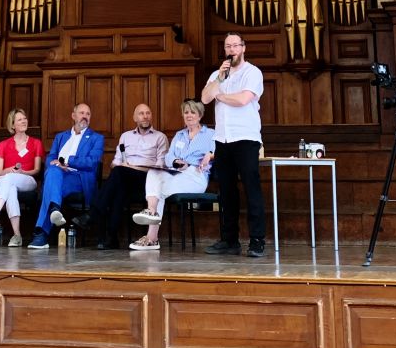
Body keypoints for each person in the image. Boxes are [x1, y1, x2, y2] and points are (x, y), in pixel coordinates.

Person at [201, 32, 266, 257]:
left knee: (251, 188)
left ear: (243, 48)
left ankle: (257, 240)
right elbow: (204, 99)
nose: (231, 50)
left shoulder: (253, 72)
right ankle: (230, 240)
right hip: (222, 138)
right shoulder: (217, 74)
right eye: (228, 46)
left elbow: (242, 100)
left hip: (245, 138)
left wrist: (220, 95)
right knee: (226, 191)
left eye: (235, 46)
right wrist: (218, 80)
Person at [74, 103, 168, 249]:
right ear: (135, 118)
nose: (145, 116)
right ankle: (111, 238)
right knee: (119, 189)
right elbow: (115, 163)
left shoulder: (160, 137)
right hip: (125, 177)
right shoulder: (126, 136)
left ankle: (92, 214)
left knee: (119, 174)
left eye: (148, 113)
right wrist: (122, 167)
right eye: (141, 113)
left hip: (147, 179)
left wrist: (131, 167)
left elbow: (160, 166)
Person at [129, 99, 215, 251]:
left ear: (200, 115)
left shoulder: (210, 134)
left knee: (158, 190)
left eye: (193, 112)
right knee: (154, 172)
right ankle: (151, 211)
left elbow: (223, 151)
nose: (189, 115)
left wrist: (210, 154)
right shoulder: (179, 135)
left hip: (196, 176)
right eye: (186, 112)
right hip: (177, 173)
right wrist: (175, 161)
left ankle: (152, 237)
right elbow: (168, 157)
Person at [27, 102, 104, 250]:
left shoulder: (96, 138)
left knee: (51, 183)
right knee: (53, 171)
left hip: (79, 177)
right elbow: (51, 157)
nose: (85, 117)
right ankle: (54, 209)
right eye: (81, 113)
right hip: (58, 175)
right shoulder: (61, 137)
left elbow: (92, 162)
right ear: (73, 116)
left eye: (88, 114)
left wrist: (68, 162)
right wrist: (56, 164)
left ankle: (41, 233)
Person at [0, 108, 44, 246]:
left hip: (27, 179)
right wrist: (9, 170)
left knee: (9, 180)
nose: (24, 121)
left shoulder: (36, 143)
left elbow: (37, 170)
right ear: (12, 125)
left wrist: (22, 172)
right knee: (10, 187)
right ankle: (17, 235)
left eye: (25, 118)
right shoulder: (3, 145)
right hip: (4, 179)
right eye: (20, 119)